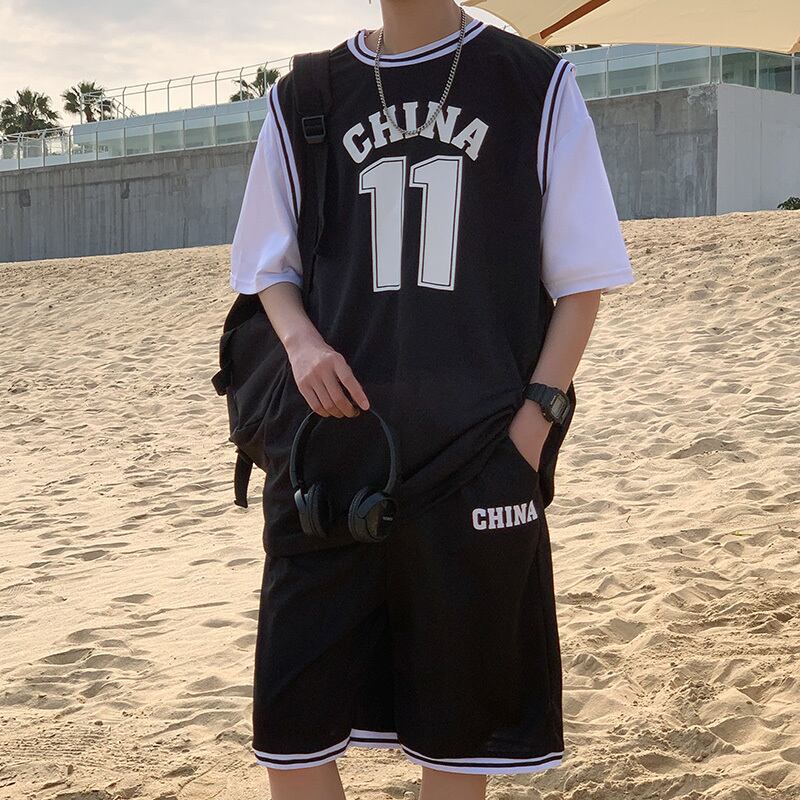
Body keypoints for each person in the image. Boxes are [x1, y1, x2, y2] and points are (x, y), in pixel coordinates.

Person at [229, 1, 635, 798]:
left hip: (476, 460)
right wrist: (303, 344)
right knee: (293, 731)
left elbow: (582, 282)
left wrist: (528, 435)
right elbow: (267, 266)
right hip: (328, 464)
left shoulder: (535, 83)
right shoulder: (304, 93)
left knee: (459, 739)